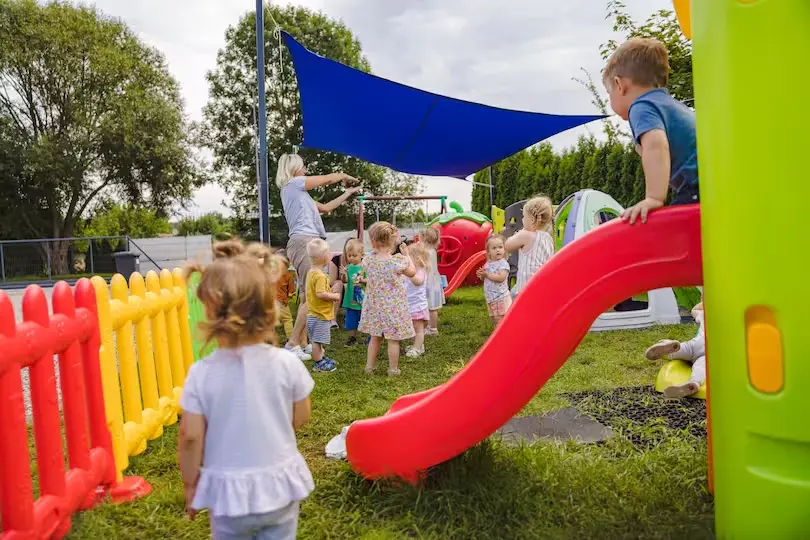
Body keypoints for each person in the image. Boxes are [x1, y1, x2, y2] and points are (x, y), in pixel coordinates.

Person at [178, 244, 314, 540]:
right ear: (268, 308)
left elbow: (190, 437)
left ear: (210, 311)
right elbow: (302, 415)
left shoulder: (201, 374)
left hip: (228, 498)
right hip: (279, 488)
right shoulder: (286, 363)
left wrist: (190, 483)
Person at [602, 37, 699, 224]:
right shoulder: (670, 105)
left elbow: (656, 144)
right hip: (710, 181)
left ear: (619, 85)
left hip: (696, 186)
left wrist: (654, 197)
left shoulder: (641, 107)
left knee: (671, 233)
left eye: (609, 92)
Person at [277, 153, 361, 361]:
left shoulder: (299, 194)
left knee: (307, 295)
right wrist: (343, 175)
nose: (305, 170)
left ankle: (303, 343)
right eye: (303, 167)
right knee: (312, 297)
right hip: (304, 243)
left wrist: (347, 193)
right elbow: (326, 179)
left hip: (304, 242)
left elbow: (325, 208)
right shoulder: (294, 184)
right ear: (294, 168)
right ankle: (292, 344)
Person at [359, 222, 416, 376]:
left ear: (373, 241)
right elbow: (412, 273)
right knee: (393, 340)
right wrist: (407, 256)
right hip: (393, 309)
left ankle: (369, 367)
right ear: (392, 241)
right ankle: (393, 369)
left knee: (375, 338)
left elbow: (367, 267)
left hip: (375, 308)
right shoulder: (397, 261)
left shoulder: (369, 260)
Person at [646, 297, 706, 398]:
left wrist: (705, 302)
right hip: (709, 353)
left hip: (694, 345)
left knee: (681, 349)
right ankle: (694, 383)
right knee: (701, 368)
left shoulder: (703, 314)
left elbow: (694, 310)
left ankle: (666, 347)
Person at [504, 196, 555, 296]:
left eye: (523, 216)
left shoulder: (526, 235)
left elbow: (507, 245)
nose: (522, 220)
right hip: (543, 287)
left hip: (526, 289)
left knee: (511, 297)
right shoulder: (548, 238)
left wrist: (514, 233)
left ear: (531, 219)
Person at [305, 239, 341, 372]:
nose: (330, 255)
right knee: (316, 342)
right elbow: (320, 294)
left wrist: (330, 290)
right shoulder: (320, 276)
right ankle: (318, 363)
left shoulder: (312, 272)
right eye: (328, 253)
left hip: (314, 314)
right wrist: (334, 296)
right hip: (319, 315)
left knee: (318, 340)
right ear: (323, 257)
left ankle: (321, 358)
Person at [476, 235, 512, 325]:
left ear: (504, 249)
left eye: (500, 247)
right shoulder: (488, 264)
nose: (498, 250)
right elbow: (485, 279)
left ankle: (501, 333)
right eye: (494, 248)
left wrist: (487, 274)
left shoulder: (503, 264)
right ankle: (500, 331)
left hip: (501, 297)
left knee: (501, 319)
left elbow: (501, 278)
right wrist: (482, 275)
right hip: (491, 298)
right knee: (495, 319)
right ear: (489, 252)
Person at [403, 241, 430, 358]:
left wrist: (409, 274)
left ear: (417, 259)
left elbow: (418, 282)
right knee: (413, 329)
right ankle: (417, 345)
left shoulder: (421, 271)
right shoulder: (411, 272)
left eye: (409, 258)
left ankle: (417, 348)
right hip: (410, 306)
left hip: (418, 306)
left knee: (419, 329)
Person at [339, 238, 366, 347]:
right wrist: (344, 274)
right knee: (351, 319)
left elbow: (370, 280)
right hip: (351, 299)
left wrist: (363, 281)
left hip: (363, 300)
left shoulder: (364, 268)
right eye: (349, 255)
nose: (351, 258)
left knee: (365, 318)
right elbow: (345, 280)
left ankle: (370, 338)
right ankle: (352, 337)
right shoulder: (348, 268)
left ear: (362, 255)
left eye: (354, 255)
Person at [419, 227, 445, 336]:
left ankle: (433, 329)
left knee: (432, 308)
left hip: (430, 284)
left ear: (425, 239)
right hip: (433, 283)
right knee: (431, 308)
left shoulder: (426, 253)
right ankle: (430, 327)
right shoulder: (432, 251)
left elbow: (423, 266)